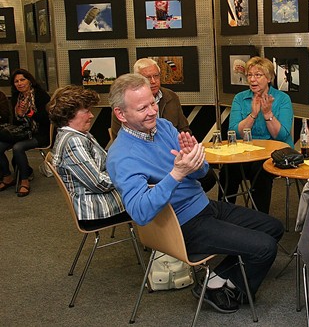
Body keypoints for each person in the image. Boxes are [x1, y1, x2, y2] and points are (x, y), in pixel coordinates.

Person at [106, 73, 283, 313]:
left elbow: (202, 173)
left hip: (204, 206)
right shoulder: (122, 156)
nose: (152, 111)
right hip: (181, 224)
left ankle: (215, 280)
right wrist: (177, 174)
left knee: (274, 228)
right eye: (142, 108)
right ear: (121, 114)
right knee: (265, 247)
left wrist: (195, 162)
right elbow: (140, 213)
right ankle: (223, 288)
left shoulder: (164, 127)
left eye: (152, 103)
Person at [111, 58, 216, 193]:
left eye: (156, 76)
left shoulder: (171, 97)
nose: (153, 81)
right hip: (150, 162)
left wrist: (186, 150)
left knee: (208, 176)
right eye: (148, 77)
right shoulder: (125, 107)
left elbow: (184, 129)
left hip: (176, 153)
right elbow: (120, 137)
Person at [48, 85, 129, 227]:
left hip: (98, 203)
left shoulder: (76, 134)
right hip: (97, 209)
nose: (91, 115)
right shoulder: (73, 141)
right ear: (69, 113)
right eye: (87, 111)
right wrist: (128, 174)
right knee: (154, 201)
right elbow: (99, 183)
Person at [224, 56, 293, 213]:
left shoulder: (282, 99)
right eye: (249, 75)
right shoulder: (240, 98)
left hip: (274, 153)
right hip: (246, 152)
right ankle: (224, 213)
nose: (252, 79)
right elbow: (234, 133)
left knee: (261, 169)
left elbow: (281, 136)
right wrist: (253, 115)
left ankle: (260, 217)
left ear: (268, 78)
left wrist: (267, 114)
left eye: (258, 75)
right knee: (228, 169)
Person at [0, 69, 51, 196]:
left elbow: (47, 120)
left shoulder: (41, 96)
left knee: (18, 148)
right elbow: (15, 123)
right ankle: (7, 176)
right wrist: (19, 114)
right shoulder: (16, 97)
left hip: (40, 133)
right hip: (22, 132)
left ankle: (24, 180)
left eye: (22, 80)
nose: (19, 83)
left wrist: (29, 113)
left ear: (30, 81)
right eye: (16, 81)